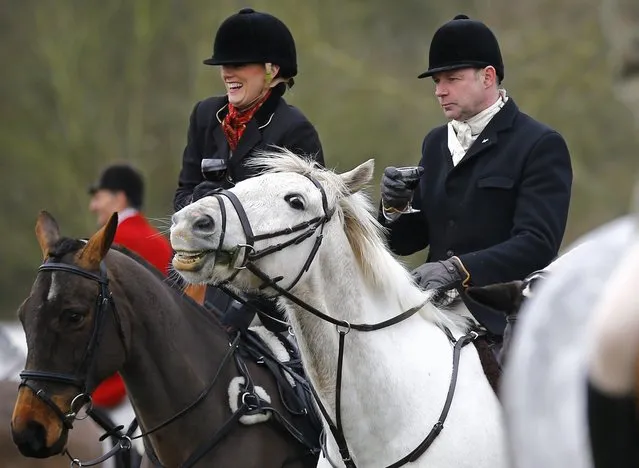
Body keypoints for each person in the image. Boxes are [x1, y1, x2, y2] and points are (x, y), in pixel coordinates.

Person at [378, 14, 573, 338]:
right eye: (436, 82)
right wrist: (394, 208)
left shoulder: (539, 144)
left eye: (451, 79)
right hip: (430, 310)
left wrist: (458, 269)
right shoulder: (436, 141)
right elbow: (408, 241)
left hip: (502, 318)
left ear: (487, 77)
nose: (440, 91)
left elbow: (537, 244)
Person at [173, 8, 324, 331]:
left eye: (238, 65)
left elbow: (309, 232)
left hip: (271, 298)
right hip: (207, 282)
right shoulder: (204, 115)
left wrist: (250, 307)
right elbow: (182, 195)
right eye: (224, 66)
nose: (227, 73)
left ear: (271, 71)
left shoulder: (294, 130)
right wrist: (199, 201)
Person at [89, 163, 173, 409]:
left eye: (98, 197)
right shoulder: (159, 241)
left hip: (121, 382)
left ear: (119, 199)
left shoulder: (112, 243)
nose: (93, 206)